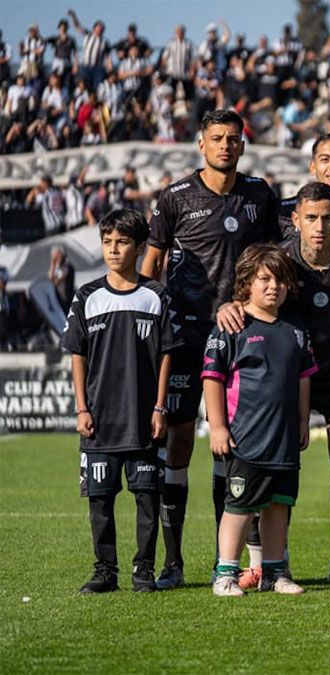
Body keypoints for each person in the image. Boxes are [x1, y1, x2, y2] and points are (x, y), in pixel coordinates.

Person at [141, 109, 279, 589]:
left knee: (236, 446)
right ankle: (174, 562)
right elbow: (152, 264)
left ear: (243, 145)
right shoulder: (176, 196)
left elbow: (272, 262)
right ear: (201, 144)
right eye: (217, 138)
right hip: (185, 336)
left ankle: (245, 564)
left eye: (234, 138)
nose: (226, 145)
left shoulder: (260, 194)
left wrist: (244, 304)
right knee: (178, 442)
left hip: (242, 333)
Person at [214, 182, 330, 590]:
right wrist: (229, 305)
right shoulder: (280, 259)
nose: (319, 227)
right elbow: (249, 283)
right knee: (258, 471)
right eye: (311, 218)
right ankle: (260, 565)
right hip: (284, 377)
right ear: (296, 218)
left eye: (327, 218)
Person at [63, 209, 180, 593]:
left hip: (143, 418)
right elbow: (76, 354)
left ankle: (143, 569)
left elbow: (166, 354)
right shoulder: (87, 297)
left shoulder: (156, 296)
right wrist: (82, 407)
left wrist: (160, 406)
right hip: (99, 419)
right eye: (107, 242)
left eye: (123, 242)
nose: (113, 250)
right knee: (100, 500)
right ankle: (104, 570)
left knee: (147, 497)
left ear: (140, 246)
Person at [202, 245, 316, 597]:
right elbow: (212, 378)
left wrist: (302, 421)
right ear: (246, 284)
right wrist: (218, 426)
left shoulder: (295, 331)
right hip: (246, 438)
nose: (273, 286)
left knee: (279, 505)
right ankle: (225, 573)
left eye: (280, 280)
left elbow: (303, 377)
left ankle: (273, 572)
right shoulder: (232, 326)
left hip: (283, 439)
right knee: (238, 507)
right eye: (264, 279)